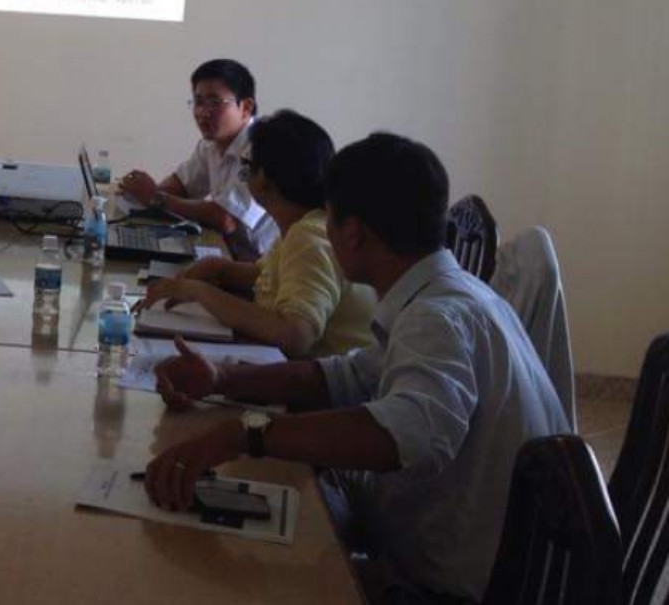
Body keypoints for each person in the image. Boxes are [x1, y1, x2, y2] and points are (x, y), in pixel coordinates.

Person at [142, 133, 569, 604]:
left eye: (329, 218)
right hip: (462, 552)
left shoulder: (437, 318)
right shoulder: (451, 294)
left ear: (353, 233)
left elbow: (403, 435)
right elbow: (345, 376)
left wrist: (248, 434)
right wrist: (224, 377)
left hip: (451, 589)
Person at [139, 109, 374, 358]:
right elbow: (266, 276)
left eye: (247, 167)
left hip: (327, 379)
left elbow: (295, 336)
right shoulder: (301, 225)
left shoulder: (307, 238)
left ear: (263, 179)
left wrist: (198, 291)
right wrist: (218, 268)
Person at [118, 58, 278, 261]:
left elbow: (226, 219)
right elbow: (182, 186)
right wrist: (138, 193)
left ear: (245, 107)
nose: (203, 112)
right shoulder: (210, 145)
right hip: (230, 253)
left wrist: (157, 198)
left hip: (262, 267)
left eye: (215, 103)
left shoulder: (262, 147)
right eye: (199, 102)